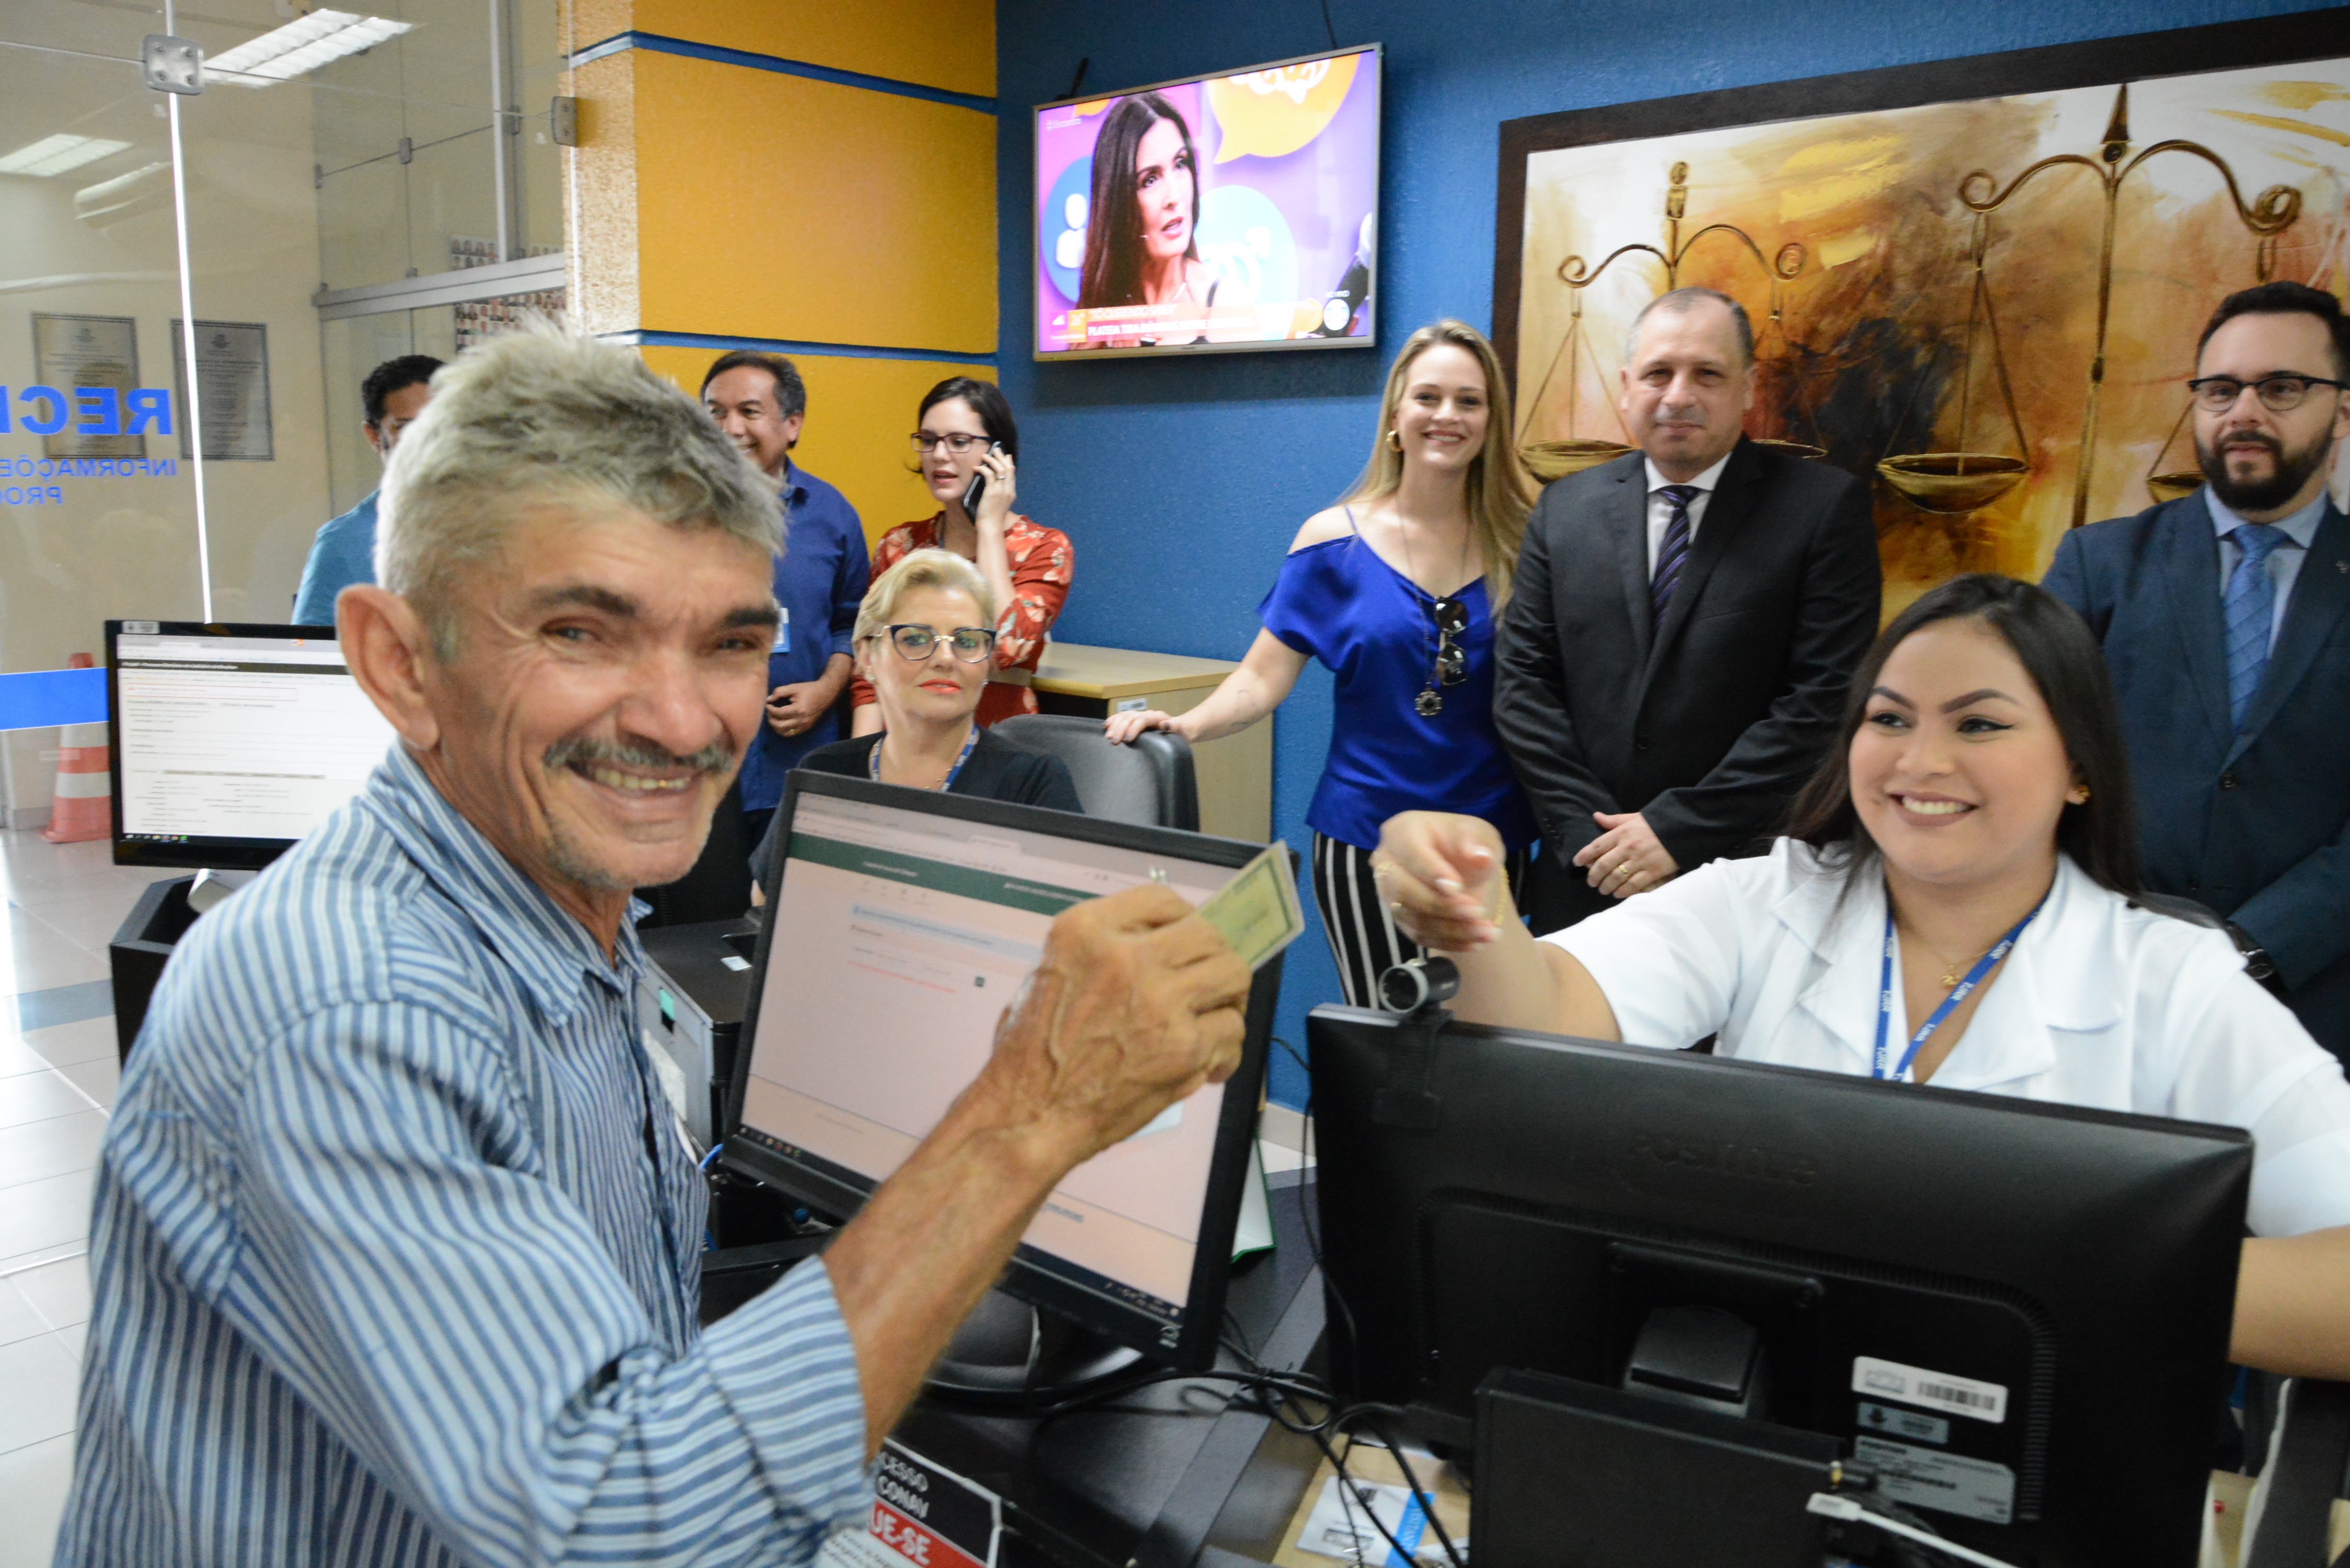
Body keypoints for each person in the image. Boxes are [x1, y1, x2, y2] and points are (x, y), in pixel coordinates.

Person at [57, 327, 1251, 1566]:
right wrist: (1026, 1116)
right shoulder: (348, 1002)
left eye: (732, 642)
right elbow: (623, 1529)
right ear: (399, 662)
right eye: (581, 631)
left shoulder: (556, 905)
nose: (685, 724)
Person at [1373, 573, 2350, 1380]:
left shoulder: (2175, 980)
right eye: (1890, 718)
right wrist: (1471, 908)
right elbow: (1544, 1021)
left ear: (2079, 767)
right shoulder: (1765, 901)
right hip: (1746, 1419)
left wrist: (2057, 1282)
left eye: (1979, 726)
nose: (1920, 761)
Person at [1107, 320, 1538, 1006]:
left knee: (1485, 1049)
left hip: (1491, 847)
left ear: (1492, 420)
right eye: (1428, 397)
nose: (1447, 416)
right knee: (1385, 1049)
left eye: (1470, 401)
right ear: (1397, 414)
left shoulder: (1529, 540)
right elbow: (1260, 677)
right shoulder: (1332, 541)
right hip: (1367, 846)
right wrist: (1187, 725)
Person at [1494, 285, 1881, 934]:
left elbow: (1821, 701)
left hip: (1740, 880)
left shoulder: (1822, 512)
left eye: (1706, 373)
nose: (1678, 396)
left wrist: (1674, 832)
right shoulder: (1562, 510)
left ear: (1749, 386)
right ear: (1625, 387)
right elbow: (1521, 690)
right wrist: (1598, 847)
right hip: (1583, 876)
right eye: (1657, 373)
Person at [2044, 280, 2350, 1067]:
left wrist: (2253, 950)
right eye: (2221, 390)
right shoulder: (2099, 564)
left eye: (2282, 387)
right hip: (2091, 981)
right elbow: (2026, 754)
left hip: (2307, 1006)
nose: (2244, 413)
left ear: (2343, 411)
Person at [751, 549, 1080, 885]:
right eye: (916, 638)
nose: (945, 658)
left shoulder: (1032, 783)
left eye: (967, 641)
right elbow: (766, 901)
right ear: (866, 656)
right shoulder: (824, 773)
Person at [701, 349, 870, 851]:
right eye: (715, 413)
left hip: (799, 764)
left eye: (749, 412)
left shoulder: (832, 516)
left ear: (792, 424)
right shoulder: (669, 514)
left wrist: (826, 688)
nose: (731, 429)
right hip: (700, 767)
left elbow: (854, 623)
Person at [850, 378, 1072, 734]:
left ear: (998, 454)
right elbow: (869, 670)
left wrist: (988, 527)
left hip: (999, 741)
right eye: (928, 440)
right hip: (908, 739)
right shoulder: (901, 546)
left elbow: (1006, 649)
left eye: (959, 442)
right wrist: (860, 766)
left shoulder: (1045, 547)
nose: (939, 455)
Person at [291, 353, 442, 625]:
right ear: (375, 437)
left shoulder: (508, 524)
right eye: (407, 428)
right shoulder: (344, 544)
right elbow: (310, 659)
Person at [1078, 93, 1216, 313]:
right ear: (1118, 202)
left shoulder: (1226, 306)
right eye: (1150, 180)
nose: (1174, 197)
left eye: (1180, 164)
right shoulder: (1097, 316)